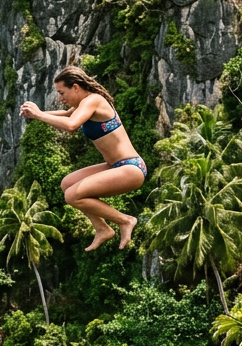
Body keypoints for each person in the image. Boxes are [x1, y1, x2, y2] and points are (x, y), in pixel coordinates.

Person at [19, 66, 147, 251]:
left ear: (76, 87)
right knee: (67, 184)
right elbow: (65, 115)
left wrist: (39, 114)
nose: (61, 98)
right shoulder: (84, 104)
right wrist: (36, 115)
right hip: (115, 166)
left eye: (62, 92)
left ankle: (125, 220)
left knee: (72, 195)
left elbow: (71, 125)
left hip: (131, 167)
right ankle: (102, 228)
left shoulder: (93, 100)